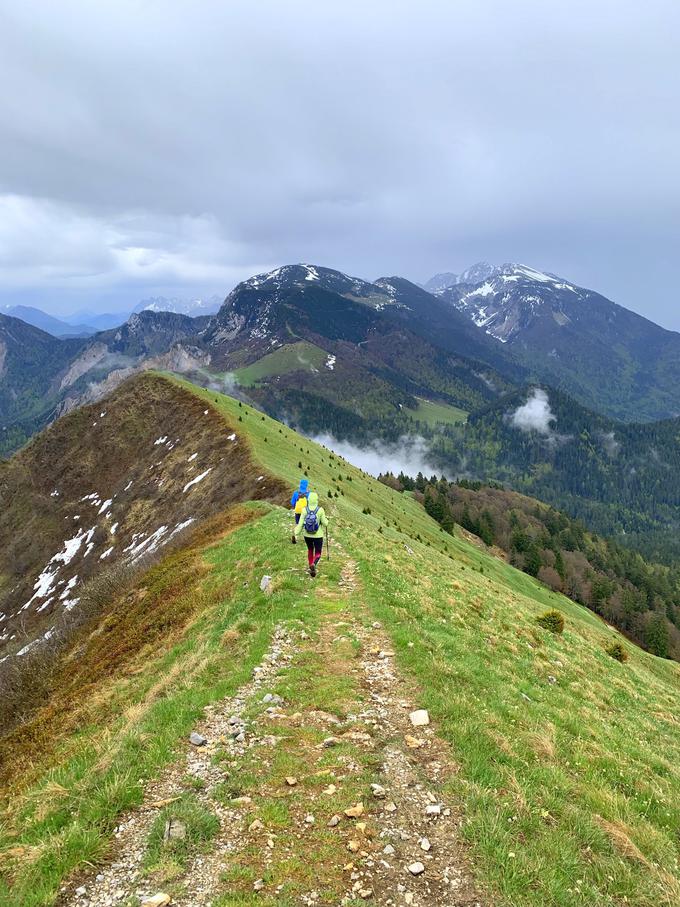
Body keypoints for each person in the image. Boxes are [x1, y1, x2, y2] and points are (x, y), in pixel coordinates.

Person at [294, 491, 329, 577]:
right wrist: (327, 521)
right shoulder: (320, 510)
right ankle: (314, 564)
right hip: (318, 536)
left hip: (307, 535)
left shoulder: (304, 510)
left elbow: (300, 523)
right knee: (318, 552)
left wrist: (296, 533)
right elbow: (325, 523)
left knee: (310, 549)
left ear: (308, 500)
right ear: (316, 500)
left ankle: (311, 565)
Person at [290, 478, 309, 543]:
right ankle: (307, 538)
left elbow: (292, 502)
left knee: (298, 524)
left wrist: (295, 505)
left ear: (300, 485)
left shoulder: (296, 493)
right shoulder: (308, 494)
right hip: (305, 512)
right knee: (306, 524)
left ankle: (295, 536)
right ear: (306, 485)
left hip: (297, 511)